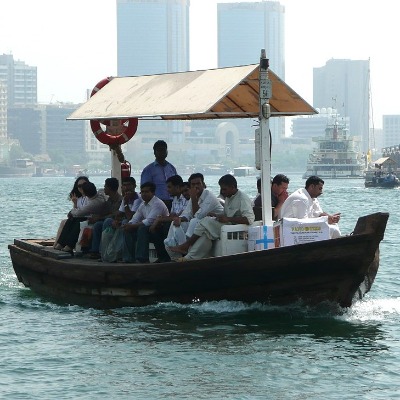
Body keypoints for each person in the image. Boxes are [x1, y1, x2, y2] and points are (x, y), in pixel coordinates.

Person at [169, 174, 255, 260]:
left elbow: (249, 219)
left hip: (236, 229)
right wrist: (217, 215)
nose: (222, 192)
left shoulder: (242, 198)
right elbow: (226, 215)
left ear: (232, 187)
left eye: (224, 189)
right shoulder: (229, 197)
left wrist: (228, 219)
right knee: (205, 234)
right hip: (228, 225)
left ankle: (187, 245)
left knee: (204, 221)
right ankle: (189, 258)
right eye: (221, 189)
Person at [164, 172, 224, 260]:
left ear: (203, 184)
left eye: (198, 184)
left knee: (194, 221)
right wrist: (179, 219)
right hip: (200, 226)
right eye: (193, 184)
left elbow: (198, 216)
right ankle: (174, 256)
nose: (196, 186)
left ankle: (185, 247)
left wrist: (194, 198)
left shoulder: (209, 197)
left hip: (214, 225)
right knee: (175, 222)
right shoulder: (194, 197)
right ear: (190, 186)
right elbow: (187, 214)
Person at [121, 182, 169, 263]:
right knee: (127, 229)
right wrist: (128, 225)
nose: (143, 194)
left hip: (160, 229)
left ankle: (142, 258)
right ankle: (129, 258)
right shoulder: (143, 204)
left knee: (142, 228)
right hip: (149, 229)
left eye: (146, 192)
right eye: (142, 192)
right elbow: (135, 218)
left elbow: (149, 221)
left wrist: (132, 226)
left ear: (153, 193)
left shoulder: (157, 203)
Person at [54, 182, 108, 252]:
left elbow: (78, 213)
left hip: (97, 219)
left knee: (78, 221)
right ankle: (62, 243)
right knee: (72, 219)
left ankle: (69, 245)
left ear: (85, 194)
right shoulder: (100, 193)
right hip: (91, 216)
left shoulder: (93, 203)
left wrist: (71, 211)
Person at [85, 177, 123, 258]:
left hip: (116, 221)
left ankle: (103, 250)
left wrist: (99, 218)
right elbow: (105, 211)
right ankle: (95, 250)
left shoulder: (120, 200)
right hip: (108, 219)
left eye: (105, 186)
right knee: (97, 225)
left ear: (109, 188)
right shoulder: (109, 200)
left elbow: (114, 214)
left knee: (105, 222)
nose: (104, 188)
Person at [140, 140, 177, 211]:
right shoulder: (148, 170)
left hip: (173, 203)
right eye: (159, 150)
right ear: (154, 152)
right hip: (156, 205)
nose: (162, 152)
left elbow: (177, 186)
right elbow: (145, 189)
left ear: (167, 152)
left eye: (164, 150)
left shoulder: (172, 168)